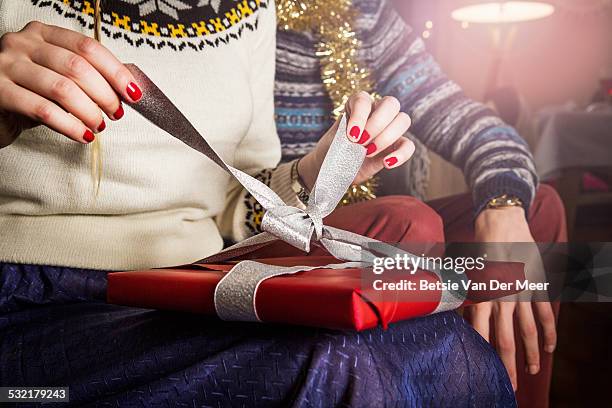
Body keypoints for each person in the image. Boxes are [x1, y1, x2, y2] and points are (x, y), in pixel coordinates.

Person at [0, 0, 516, 406]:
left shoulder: (249, 10)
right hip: (30, 312)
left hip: (189, 292)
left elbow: (239, 211)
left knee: (444, 345)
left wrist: (319, 172)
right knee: (337, 364)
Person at [272, 0, 566, 405]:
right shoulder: (237, 21)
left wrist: (503, 206)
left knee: (538, 207)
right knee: (409, 220)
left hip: (367, 231)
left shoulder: (366, 16)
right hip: (276, 229)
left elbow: (467, 120)